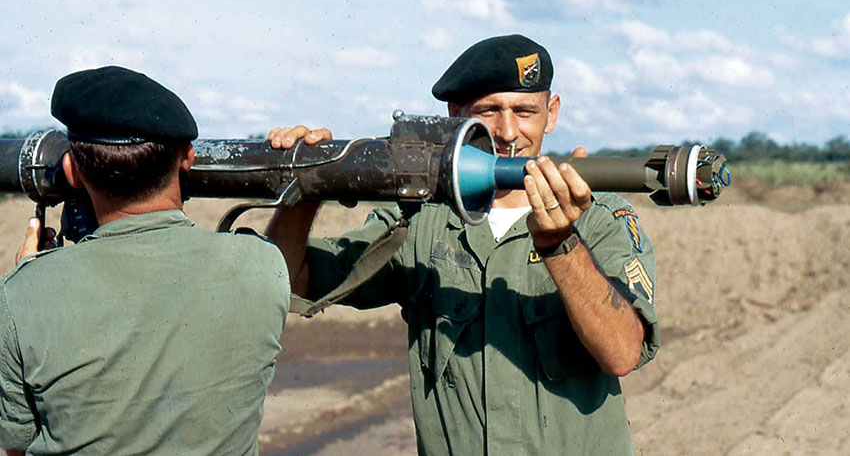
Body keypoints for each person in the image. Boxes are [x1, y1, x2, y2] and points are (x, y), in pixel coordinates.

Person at [266, 34, 659, 455]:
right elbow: (292, 280)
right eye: (489, 111)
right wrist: (304, 182)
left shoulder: (601, 220)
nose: (508, 132)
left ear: (552, 113)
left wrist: (561, 244)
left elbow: (622, 353)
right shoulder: (418, 219)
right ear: (456, 116)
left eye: (525, 111)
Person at [0, 66, 290, 456]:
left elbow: (18, 447)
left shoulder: (20, 297)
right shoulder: (261, 266)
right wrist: (306, 179)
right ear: (186, 156)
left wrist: (30, 282)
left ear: (72, 170)